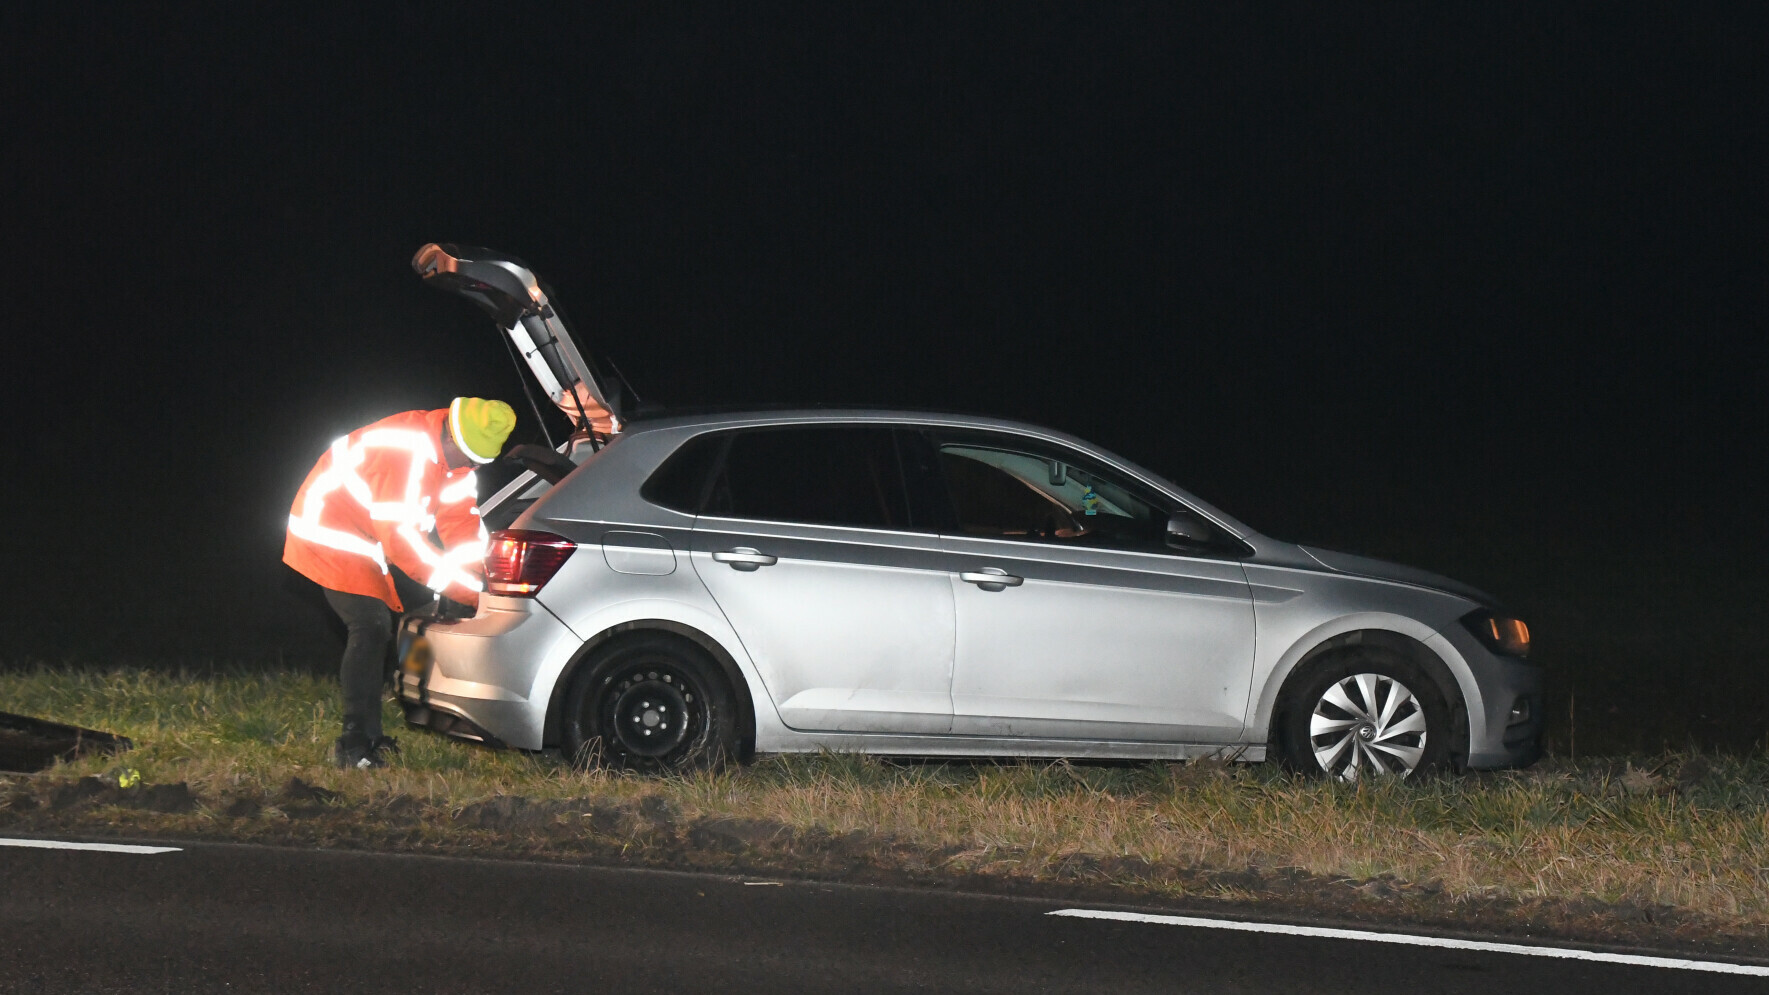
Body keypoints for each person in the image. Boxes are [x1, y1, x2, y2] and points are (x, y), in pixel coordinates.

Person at [284, 397, 516, 768]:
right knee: (370, 627)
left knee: (378, 628)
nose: (471, 468)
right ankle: (354, 746)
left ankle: (371, 739)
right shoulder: (407, 454)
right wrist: (469, 593)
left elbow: (462, 526)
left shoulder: (455, 460)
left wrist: (486, 579)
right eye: (469, 459)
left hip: (368, 533)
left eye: (480, 464)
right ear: (453, 441)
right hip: (329, 527)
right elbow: (405, 545)